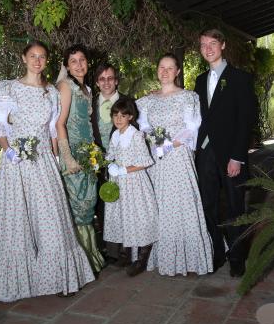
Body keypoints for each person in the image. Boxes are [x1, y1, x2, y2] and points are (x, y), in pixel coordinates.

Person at [0, 40, 94, 302]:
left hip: (42, 162)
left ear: (47, 61)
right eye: (33, 56)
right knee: (17, 221)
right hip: (16, 163)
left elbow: (53, 129)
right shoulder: (8, 88)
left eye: (42, 57)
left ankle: (59, 277)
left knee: (51, 216)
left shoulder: (52, 92)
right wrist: (8, 151)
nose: (37, 61)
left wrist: (55, 157)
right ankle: (16, 282)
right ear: (24, 58)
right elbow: (0, 128)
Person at [136, 53, 214, 276]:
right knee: (159, 205)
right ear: (157, 70)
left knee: (181, 203)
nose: (165, 71)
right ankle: (163, 256)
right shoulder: (147, 100)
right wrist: (157, 143)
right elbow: (143, 127)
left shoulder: (188, 97)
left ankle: (188, 258)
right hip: (156, 159)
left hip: (178, 157)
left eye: (170, 68)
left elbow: (192, 128)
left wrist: (168, 146)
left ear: (178, 71)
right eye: (162, 67)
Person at [194, 28, 258, 277]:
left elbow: (245, 119)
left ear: (223, 45)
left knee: (235, 208)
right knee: (208, 205)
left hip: (231, 155)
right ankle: (217, 254)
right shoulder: (199, 80)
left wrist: (238, 157)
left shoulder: (240, 78)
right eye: (203, 44)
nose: (207, 48)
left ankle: (237, 257)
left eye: (212, 43)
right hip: (205, 154)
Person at [56, 44, 105, 274]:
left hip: (88, 154)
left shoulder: (86, 89)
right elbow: (59, 124)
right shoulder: (66, 87)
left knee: (87, 206)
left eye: (82, 60)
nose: (79, 65)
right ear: (66, 65)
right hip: (72, 153)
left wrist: (93, 154)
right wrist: (68, 158)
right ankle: (77, 265)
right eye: (73, 61)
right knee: (77, 207)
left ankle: (89, 259)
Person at [104, 98, 158, 276]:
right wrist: (107, 163)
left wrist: (124, 170)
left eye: (123, 115)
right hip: (119, 183)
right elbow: (111, 154)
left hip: (134, 182)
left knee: (139, 218)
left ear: (131, 117)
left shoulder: (136, 135)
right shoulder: (115, 134)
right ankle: (126, 254)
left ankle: (142, 259)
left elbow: (145, 162)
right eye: (115, 115)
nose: (118, 118)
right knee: (123, 217)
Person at [90, 63, 128, 261]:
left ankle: (126, 248)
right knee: (103, 205)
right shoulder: (90, 103)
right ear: (97, 82)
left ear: (116, 81)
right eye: (102, 79)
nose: (106, 82)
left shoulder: (127, 102)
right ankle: (110, 250)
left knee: (122, 203)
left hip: (121, 163)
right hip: (97, 162)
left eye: (110, 78)